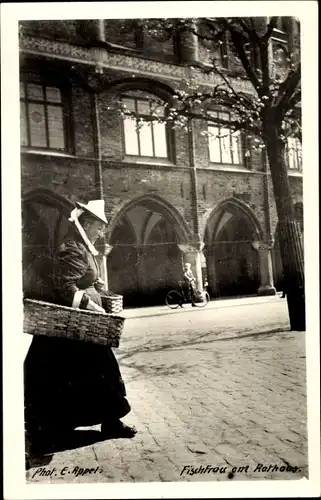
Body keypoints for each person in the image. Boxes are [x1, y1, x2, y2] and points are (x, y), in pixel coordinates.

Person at [24, 200, 137, 452]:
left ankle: (106, 421)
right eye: (98, 227)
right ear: (86, 224)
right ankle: (62, 427)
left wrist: (96, 286)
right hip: (73, 326)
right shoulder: (73, 247)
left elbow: (81, 279)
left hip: (80, 326)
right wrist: (92, 305)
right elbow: (65, 287)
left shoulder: (82, 247)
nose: (100, 232)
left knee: (90, 373)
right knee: (92, 371)